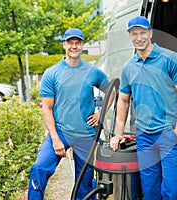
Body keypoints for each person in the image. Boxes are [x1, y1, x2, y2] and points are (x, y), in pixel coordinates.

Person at [28, 28, 110, 200]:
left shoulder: (92, 71)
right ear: (64, 45)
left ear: (82, 45)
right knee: (39, 168)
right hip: (60, 133)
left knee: (85, 182)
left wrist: (101, 113)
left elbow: (112, 91)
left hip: (85, 134)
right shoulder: (52, 73)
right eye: (70, 42)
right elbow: (47, 108)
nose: (74, 46)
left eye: (78, 42)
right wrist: (55, 139)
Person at [110, 16, 177, 200]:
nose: (139, 37)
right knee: (149, 191)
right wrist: (118, 134)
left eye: (143, 32)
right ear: (130, 36)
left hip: (168, 134)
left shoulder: (170, 59)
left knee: (171, 191)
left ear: (150, 33)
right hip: (144, 137)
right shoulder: (128, 68)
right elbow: (123, 101)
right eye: (134, 34)